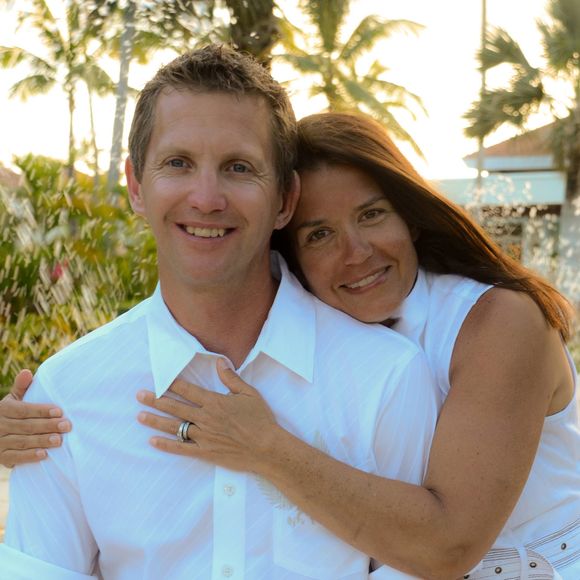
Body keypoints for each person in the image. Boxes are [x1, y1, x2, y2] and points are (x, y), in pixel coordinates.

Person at [2, 113, 578, 579]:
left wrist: (267, 448)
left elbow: (448, 547)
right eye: (319, 233)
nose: (356, 253)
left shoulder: (499, 323)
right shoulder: (322, 329)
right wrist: (57, 411)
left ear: (412, 217)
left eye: (372, 215)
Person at [0, 48, 438, 579]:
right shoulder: (65, 396)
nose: (206, 198)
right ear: (136, 186)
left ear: (285, 199)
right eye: (178, 163)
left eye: (238, 168)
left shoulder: (387, 378)